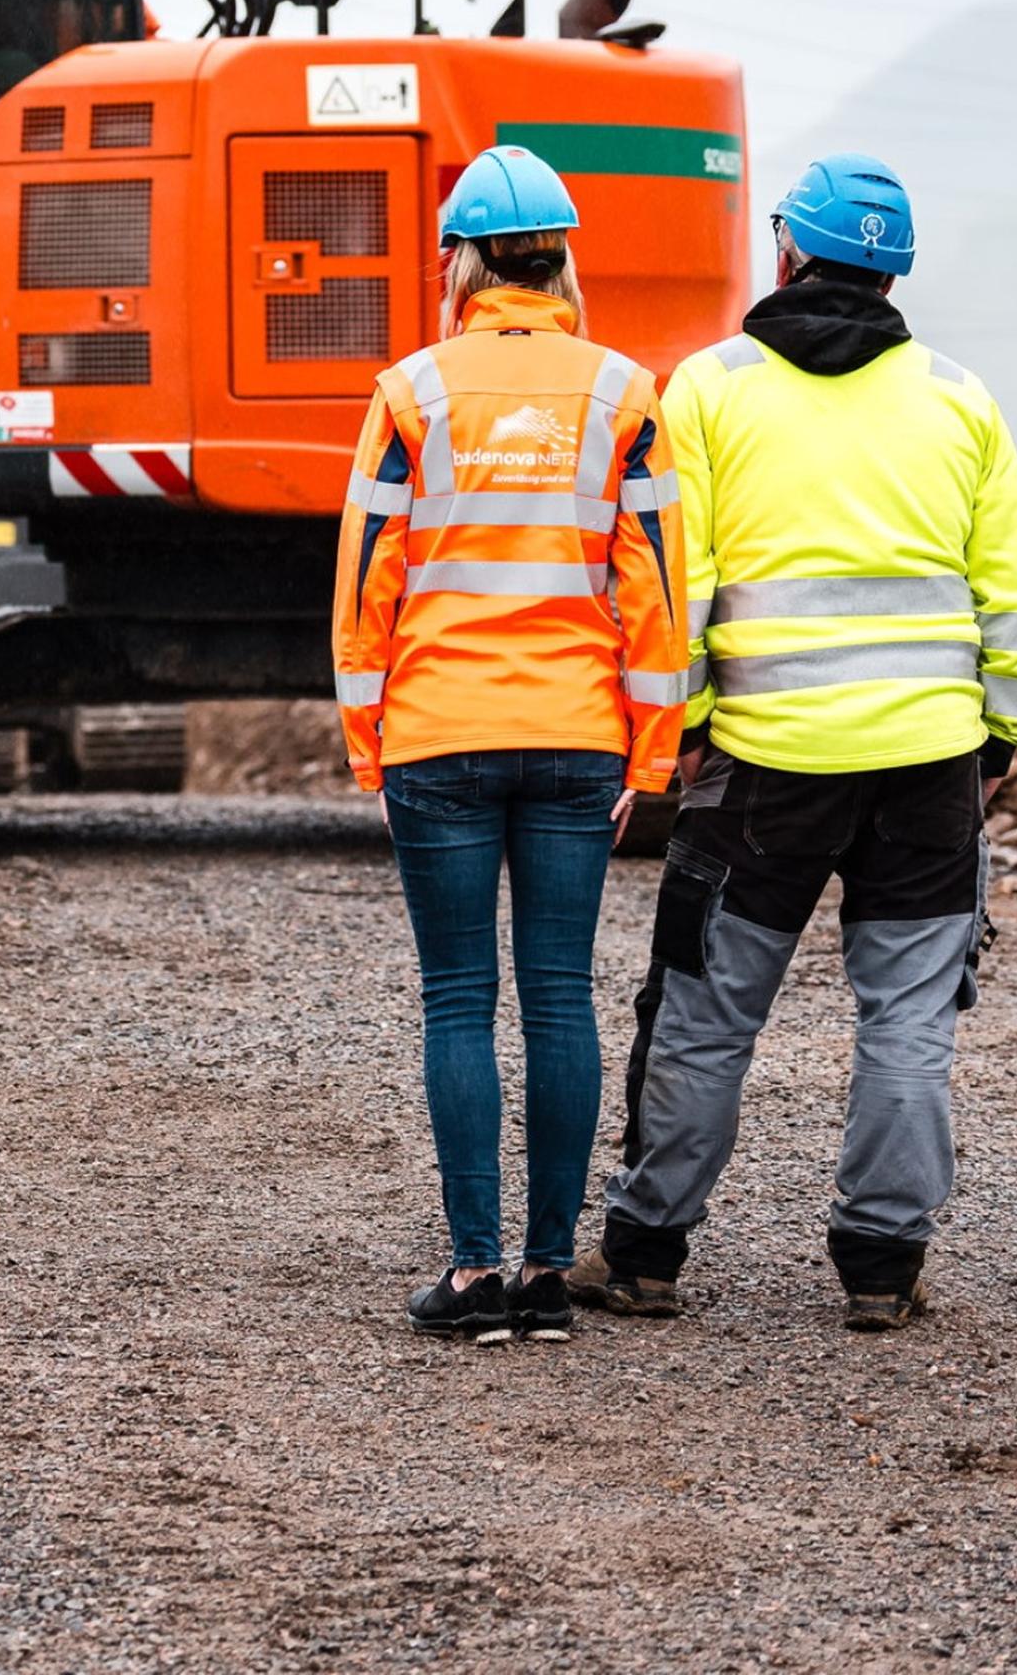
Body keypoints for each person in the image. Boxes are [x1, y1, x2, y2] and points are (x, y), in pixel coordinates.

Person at [586, 154, 1017, 1331]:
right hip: (929, 771)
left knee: (704, 1009)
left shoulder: (706, 392)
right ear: (896, 268)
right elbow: (1013, 596)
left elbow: (672, 585)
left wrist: (681, 728)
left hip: (760, 766)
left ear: (785, 250)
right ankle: (884, 1268)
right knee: (907, 1019)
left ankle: (644, 1252)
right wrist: (996, 738)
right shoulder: (959, 397)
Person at [332, 144, 689, 1348]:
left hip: (438, 733)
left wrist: (367, 743)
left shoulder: (411, 392)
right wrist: (650, 754)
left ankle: (475, 1274)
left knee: (457, 999)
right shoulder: (624, 391)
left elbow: (366, 582)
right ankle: (547, 1273)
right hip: (579, 737)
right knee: (558, 997)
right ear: (562, 259)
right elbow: (654, 588)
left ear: (465, 263)